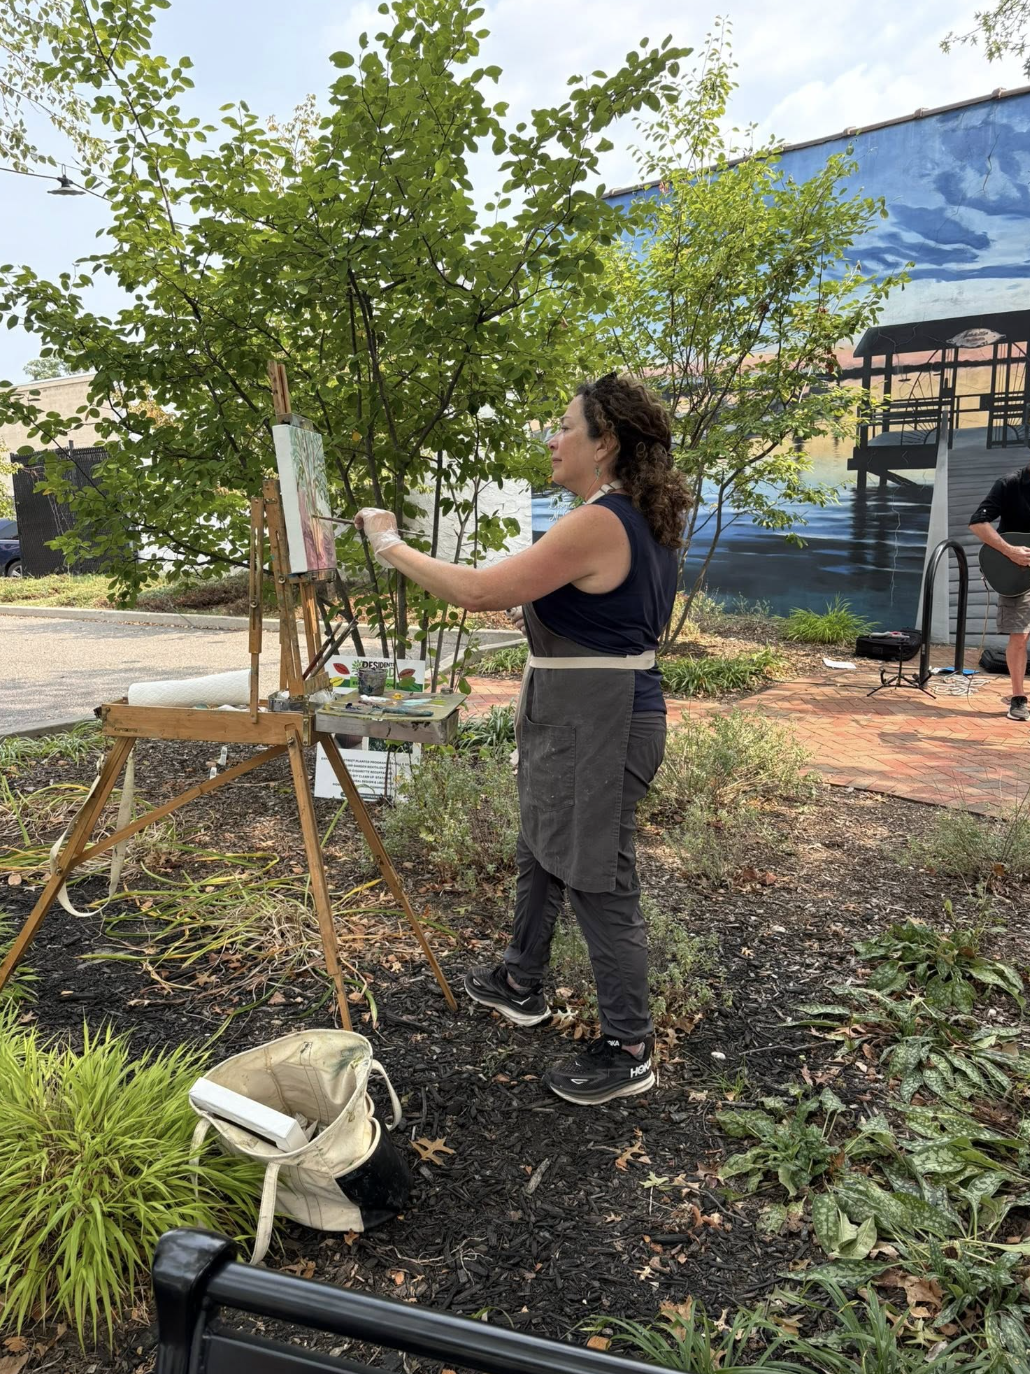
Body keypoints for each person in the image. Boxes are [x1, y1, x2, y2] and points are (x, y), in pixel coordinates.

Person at [356, 373, 691, 1106]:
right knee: (542, 847)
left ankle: (629, 1048)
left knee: (598, 876)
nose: (551, 438)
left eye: (565, 426)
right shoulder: (627, 514)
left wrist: (389, 545)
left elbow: (478, 590)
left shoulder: (603, 519)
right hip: (581, 707)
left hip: (599, 716)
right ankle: (519, 979)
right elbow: (595, 614)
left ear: (605, 443)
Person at [969, 461, 1030, 722]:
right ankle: (1018, 698)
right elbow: (978, 523)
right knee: (1020, 636)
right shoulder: (1010, 484)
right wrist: (1010, 551)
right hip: (1017, 571)